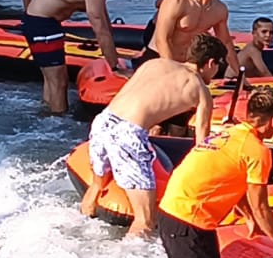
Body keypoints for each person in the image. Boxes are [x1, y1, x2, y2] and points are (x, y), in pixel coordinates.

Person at [158, 86, 273, 258]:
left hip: (176, 213)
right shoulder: (258, 151)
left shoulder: (231, 133)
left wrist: (248, 217)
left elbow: (234, 181)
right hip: (187, 220)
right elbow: (261, 204)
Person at [83, 33, 228, 238]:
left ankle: (80, 232)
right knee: (146, 221)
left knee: (95, 189)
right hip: (128, 135)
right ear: (211, 63)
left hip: (103, 121)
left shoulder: (155, 64)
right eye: (217, 67)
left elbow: (145, 97)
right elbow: (200, 147)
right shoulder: (200, 90)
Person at [21, 0, 134, 114]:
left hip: (42, 22)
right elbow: (100, 31)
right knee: (59, 81)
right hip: (42, 23)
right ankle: (58, 123)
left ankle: (48, 114)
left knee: (52, 79)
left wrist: (116, 56)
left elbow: (105, 23)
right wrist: (116, 68)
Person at [144, 0, 240, 77]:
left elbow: (226, 43)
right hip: (159, 59)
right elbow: (162, 40)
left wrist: (240, 76)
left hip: (188, 64)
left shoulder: (219, 10)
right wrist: (173, 73)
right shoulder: (176, 1)